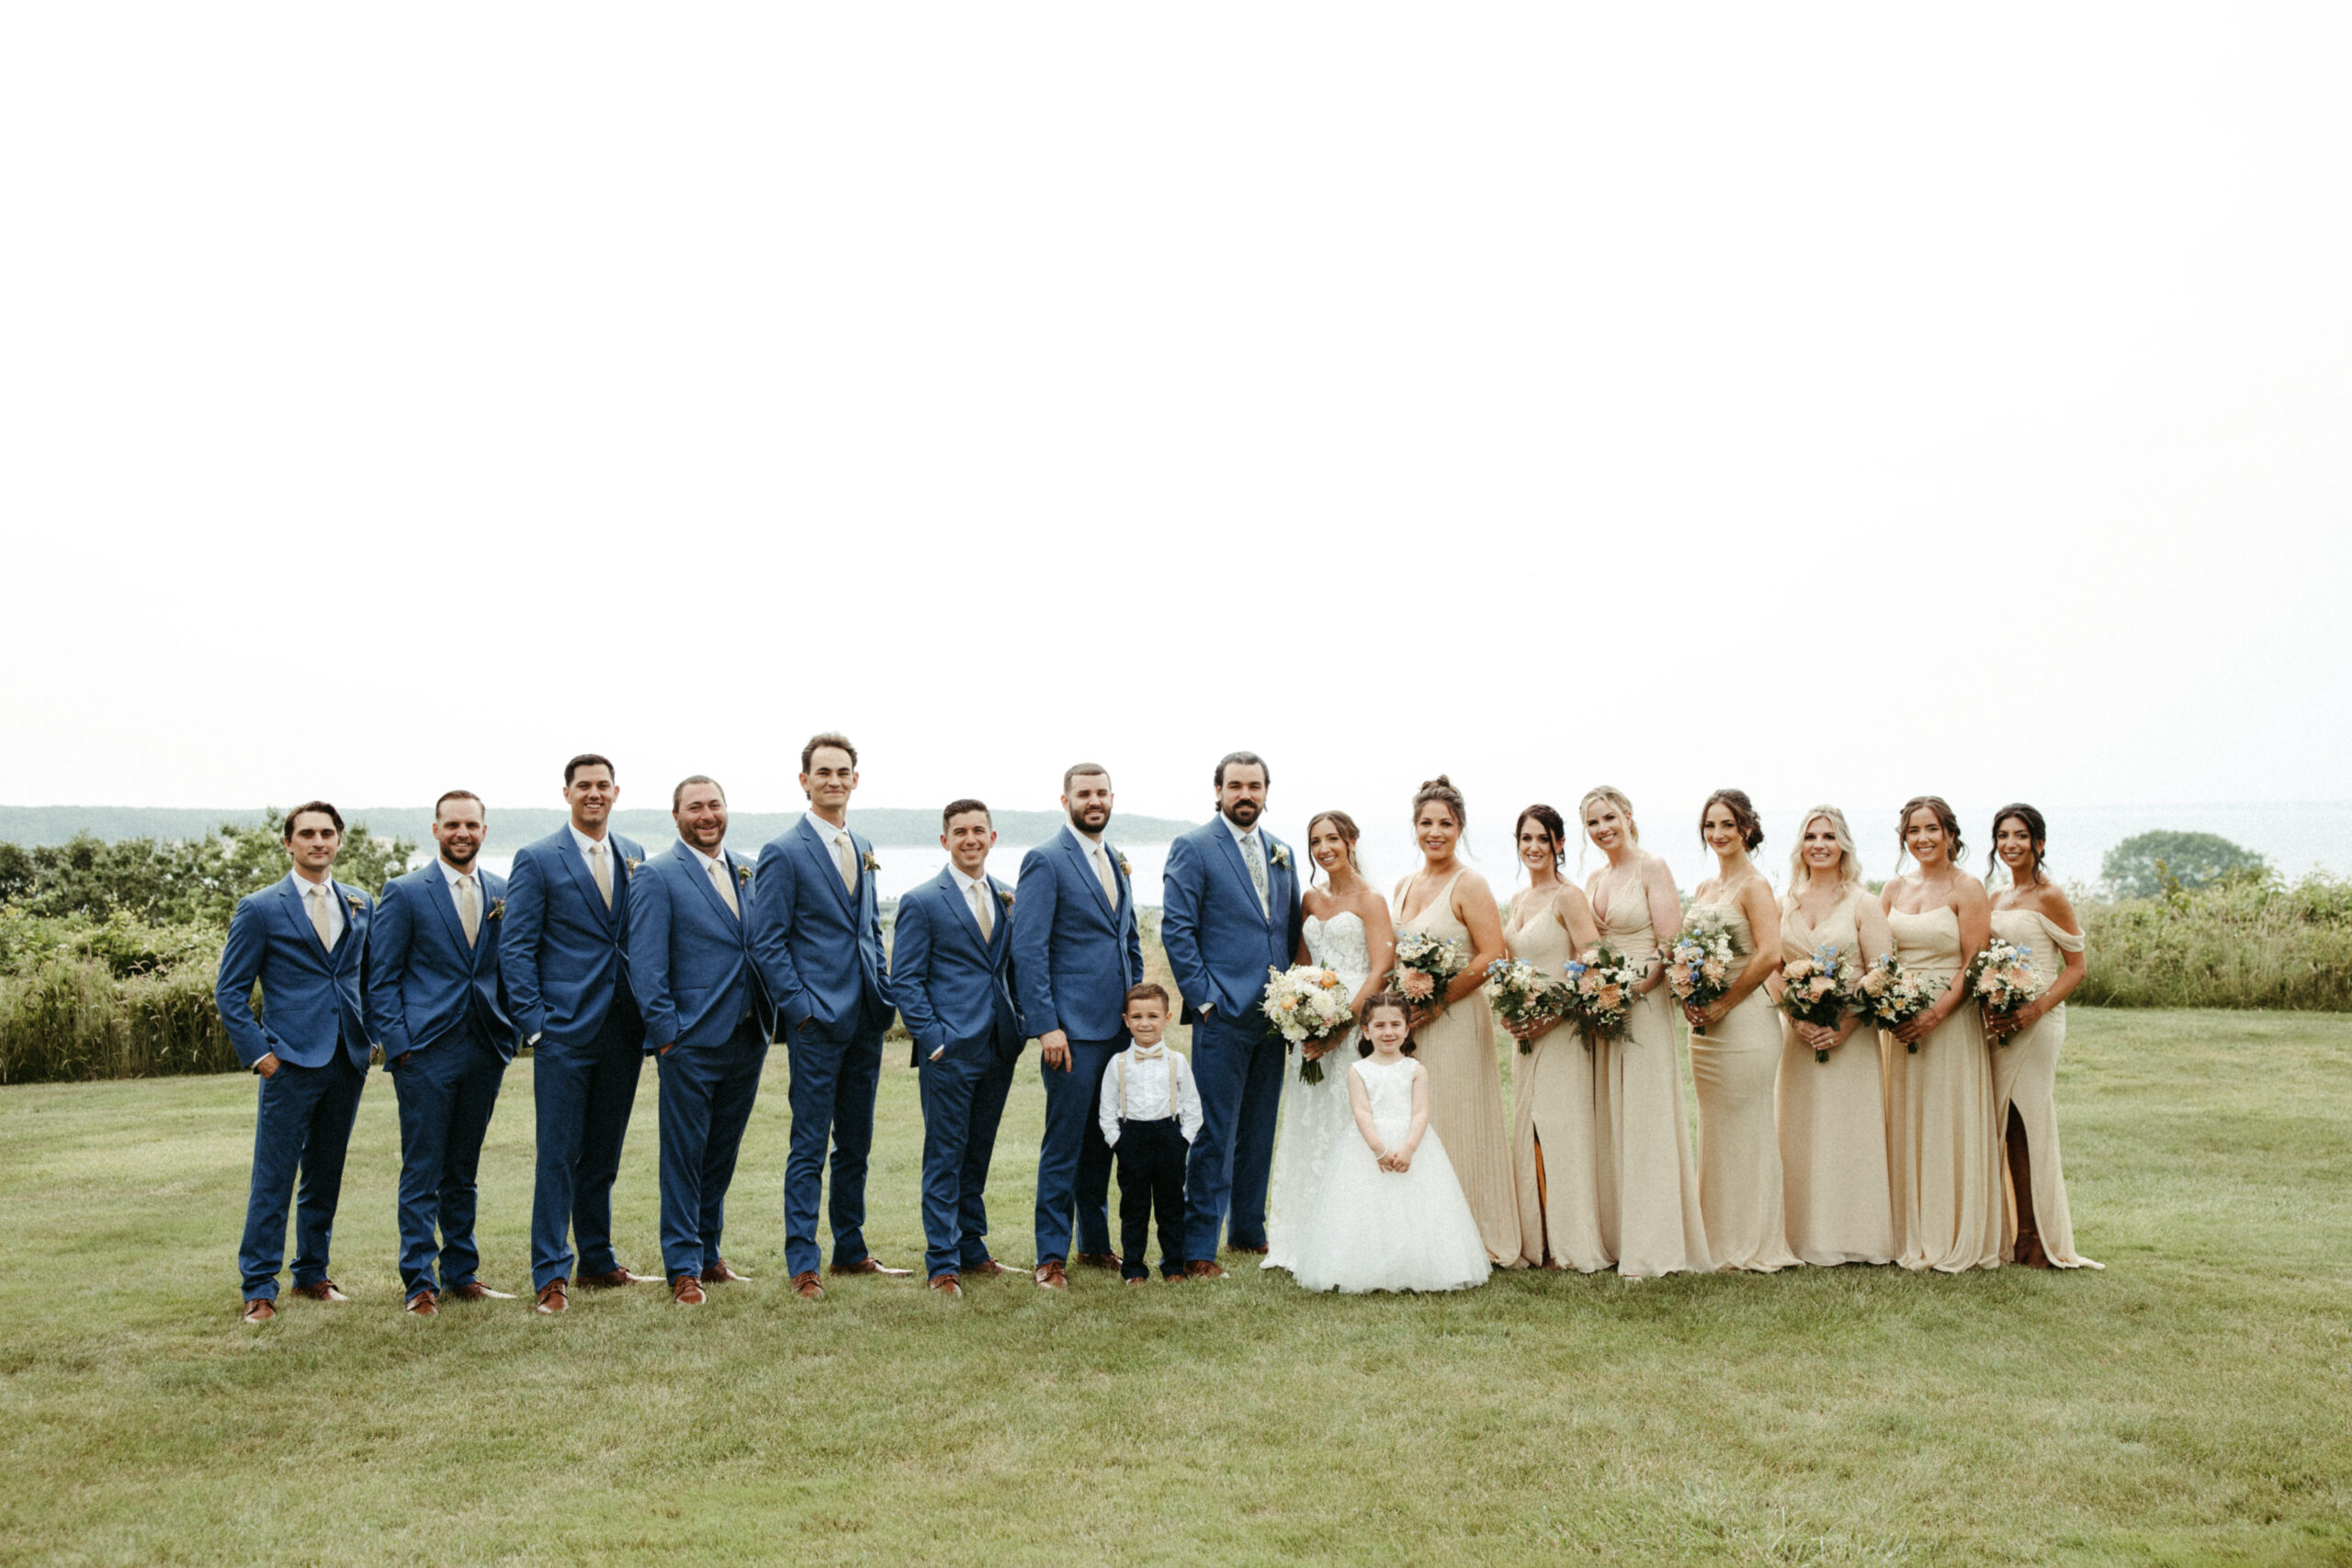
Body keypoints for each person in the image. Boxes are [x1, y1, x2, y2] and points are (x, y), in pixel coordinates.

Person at [750, 732, 909, 1299]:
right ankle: (803, 1263)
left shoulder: (861, 843)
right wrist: (802, 1011)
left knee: (857, 1143)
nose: (834, 780)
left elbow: (867, 928)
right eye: (823, 772)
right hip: (816, 1023)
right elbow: (767, 942)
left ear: (855, 780)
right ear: (805, 781)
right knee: (809, 1144)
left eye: (843, 772)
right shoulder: (783, 851)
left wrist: (884, 991)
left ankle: (851, 1249)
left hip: (867, 1015)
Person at [216, 802, 377, 1324]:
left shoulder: (359, 902)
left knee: (325, 1173)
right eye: (306, 833)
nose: (318, 841)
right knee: (274, 1175)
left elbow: (369, 979)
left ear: (339, 841)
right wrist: (262, 1056)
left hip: (346, 1059)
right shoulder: (260, 907)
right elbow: (230, 993)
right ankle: (259, 1287)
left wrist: (371, 1039)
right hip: (287, 1062)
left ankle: (312, 1273)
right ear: (289, 843)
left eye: (327, 833)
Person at [503, 753, 653, 1315]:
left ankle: (596, 1258)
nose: (594, 794)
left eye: (603, 786)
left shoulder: (634, 854)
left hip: (624, 1026)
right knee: (558, 1155)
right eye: (584, 786)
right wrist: (535, 1025)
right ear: (566, 793)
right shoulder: (538, 858)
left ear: (617, 792)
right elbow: (515, 947)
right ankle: (550, 1272)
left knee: (603, 1154)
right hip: (563, 1030)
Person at [365, 790, 519, 1315]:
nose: (462, 833)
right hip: (425, 1053)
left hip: (486, 1047)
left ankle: (461, 1272)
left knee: (464, 1168)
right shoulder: (406, 892)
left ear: (483, 830)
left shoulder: (503, 890)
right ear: (435, 830)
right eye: (452, 824)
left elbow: (509, 967)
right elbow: (381, 979)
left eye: (471, 825)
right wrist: (401, 1047)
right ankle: (418, 1281)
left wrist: (512, 1033)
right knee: (423, 1167)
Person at [626, 776, 775, 1305]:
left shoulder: (747, 868)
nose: (707, 815)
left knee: (721, 1154)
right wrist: (668, 1036)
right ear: (676, 816)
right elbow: (644, 965)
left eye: (714, 805)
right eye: (695, 807)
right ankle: (682, 1267)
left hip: (747, 1034)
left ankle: (710, 1256)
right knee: (684, 1156)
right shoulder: (656, 876)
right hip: (688, 1040)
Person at [1160, 750, 1306, 1278]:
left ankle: (1248, 1230)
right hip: (1220, 1014)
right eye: (1236, 786)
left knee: (1260, 1127)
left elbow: (1285, 931)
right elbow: (1177, 929)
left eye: (1255, 786)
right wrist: (1204, 999)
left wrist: (1297, 1000)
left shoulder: (1282, 851)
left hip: (1275, 1015)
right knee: (1213, 1131)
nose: (1246, 794)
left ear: (1267, 792)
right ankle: (1199, 1247)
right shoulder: (1195, 848)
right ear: (1218, 790)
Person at [1010, 763, 1145, 1290]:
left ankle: (1094, 1243)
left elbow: (1127, 939)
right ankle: (1050, 1257)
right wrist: (1046, 1025)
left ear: (1112, 798)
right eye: (1083, 794)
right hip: (1069, 1032)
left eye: (1101, 793)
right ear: (1065, 800)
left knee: (1104, 1142)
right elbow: (1028, 949)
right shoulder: (1046, 860)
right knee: (1064, 1143)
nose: (1094, 801)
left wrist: (1136, 1012)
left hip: (1115, 1029)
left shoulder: (1117, 859)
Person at [891, 799, 1025, 1297]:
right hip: (949, 1051)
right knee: (945, 1156)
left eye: (979, 831)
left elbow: (1014, 968)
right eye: (960, 832)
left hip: (998, 1047)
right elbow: (905, 979)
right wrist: (934, 1040)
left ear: (993, 837)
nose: (971, 839)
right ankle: (942, 1262)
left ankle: (972, 1248)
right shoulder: (923, 900)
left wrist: (1022, 1023)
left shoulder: (1010, 896)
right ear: (944, 841)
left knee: (978, 1154)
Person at [1582, 785, 1711, 1279]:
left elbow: (1668, 944)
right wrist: (1596, 989)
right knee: (1613, 1115)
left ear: (1628, 816)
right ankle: (1618, 1234)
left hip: (1644, 1003)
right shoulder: (1594, 876)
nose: (1602, 829)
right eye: (1593, 823)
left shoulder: (1652, 868)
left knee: (1646, 1115)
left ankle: (1655, 1245)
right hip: (1605, 1005)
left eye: (1609, 817)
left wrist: (1633, 988)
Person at [1390, 777, 1520, 1266]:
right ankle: (1422, 1233)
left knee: (1456, 1119)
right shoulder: (1404, 885)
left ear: (1460, 828)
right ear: (1415, 828)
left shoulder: (1471, 884)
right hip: (1410, 1027)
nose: (1435, 832)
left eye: (1445, 823)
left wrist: (1440, 998)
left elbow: (1492, 954)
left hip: (1457, 1020)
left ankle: (1469, 1233)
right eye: (1426, 823)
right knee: (1417, 1120)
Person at [1287, 993, 1492, 1294]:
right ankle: (1364, 1266)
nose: (1388, 1032)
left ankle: (1417, 1265)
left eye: (1396, 1024)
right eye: (1380, 1025)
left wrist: (1409, 1148)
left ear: (1407, 1029)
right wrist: (1378, 1149)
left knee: (1418, 1206)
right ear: (1366, 1031)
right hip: (1370, 1147)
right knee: (1366, 1207)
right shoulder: (1358, 1070)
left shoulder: (1415, 1069)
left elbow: (1421, 1111)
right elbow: (1361, 1112)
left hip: (1413, 1145)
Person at [1262, 809, 1395, 1274]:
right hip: (1312, 1023)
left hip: (1354, 1019)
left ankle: (1356, 1238)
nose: (1324, 848)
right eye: (1316, 841)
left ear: (1352, 840)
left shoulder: (1371, 899)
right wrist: (1295, 1009)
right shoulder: (1310, 899)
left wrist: (1343, 1025)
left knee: (1347, 1124)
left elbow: (1381, 968)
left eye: (1333, 838)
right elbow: (1302, 962)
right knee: (1309, 1126)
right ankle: (1303, 1236)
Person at [1881, 795, 2004, 1272]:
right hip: (1899, 1021)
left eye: (1931, 829)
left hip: (1950, 1022)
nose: (1923, 839)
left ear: (1951, 835)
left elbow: (1975, 964)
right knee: (1905, 1119)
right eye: (1913, 831)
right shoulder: (1893, 887)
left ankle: (1950, 1231)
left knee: (1944, 1120)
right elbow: (1879, 955)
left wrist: (1935, 1015)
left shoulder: (1967, 887)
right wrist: (1888, 1004)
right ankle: (1904, 1232)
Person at [1771, 807, 1897, 1267]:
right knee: (1799, 1130)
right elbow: (1773, 967)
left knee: (1847, 1130)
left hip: (1851, 1035)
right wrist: (1795, 1014)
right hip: (1798, 1037)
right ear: (1800, 845)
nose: (1819, 844)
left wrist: (1845, 1026)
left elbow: (1883, 971)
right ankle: (1799, 1235)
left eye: (1828, 836)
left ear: (1843, 843)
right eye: (1810, 836)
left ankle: (1856, 1235)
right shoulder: (1784, 900)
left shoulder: (1863, 902)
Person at [1681, 789, 1798, 1272]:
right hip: (1705, 1028)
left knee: (1748, 1126)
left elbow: (1770, 953)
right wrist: (1690, 991)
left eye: (1728, 824)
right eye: (1711, 826)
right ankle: (1715, 1236)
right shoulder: (1707, 888)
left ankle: (1753, 1242)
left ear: (1747, 828)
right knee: (1715, 1127)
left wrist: (1726, 1001)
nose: (1719, 834)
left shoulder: (1755, 886)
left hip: (1746, 1022)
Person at [1984, 804, 2100, 1269]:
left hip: (2038, 1021)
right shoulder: (1994, 898)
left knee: (2030, 1121)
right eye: (2003, 835)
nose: (2011, 844)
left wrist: (2033, 1008)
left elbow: (2077, 967)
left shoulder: (2050, 896)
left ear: (2039, 843)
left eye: (2021, 836)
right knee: (2004, 1124)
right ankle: (2017, 1232)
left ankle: (2039, 1239)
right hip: (1999, 1023)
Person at [1500, 805, 1608, 1273]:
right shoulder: (1519, 901)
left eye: (1543, 838)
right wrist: (1509, 1007)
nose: (1534, 847)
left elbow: (1594, 964)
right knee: (1530, 1131)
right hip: (1525, 1031)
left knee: (1561, 1131)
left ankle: (1570, 1244)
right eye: (1526, 838)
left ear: (1560, 844)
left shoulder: (1569, 897)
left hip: (1562, 1030)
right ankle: (1538, 1240)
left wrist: (1552, 1013)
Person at [1096, 985, 1204, 1285]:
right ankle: (1133, 1268)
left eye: (1153, 1016)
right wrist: (1116, 1140)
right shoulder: (1118, 1063)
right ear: (1126, 1020)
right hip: (1132, 1138)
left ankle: (1173, 1266)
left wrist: (1183, 1139)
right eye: (1137, 1016)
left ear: (1167, 1018)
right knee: (1134, 1207)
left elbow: (1193, 1107)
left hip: (1169, 1136)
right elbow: (1107, 1108)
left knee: (1171, 1206)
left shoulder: (1177, 1062)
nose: (1145, 1023)